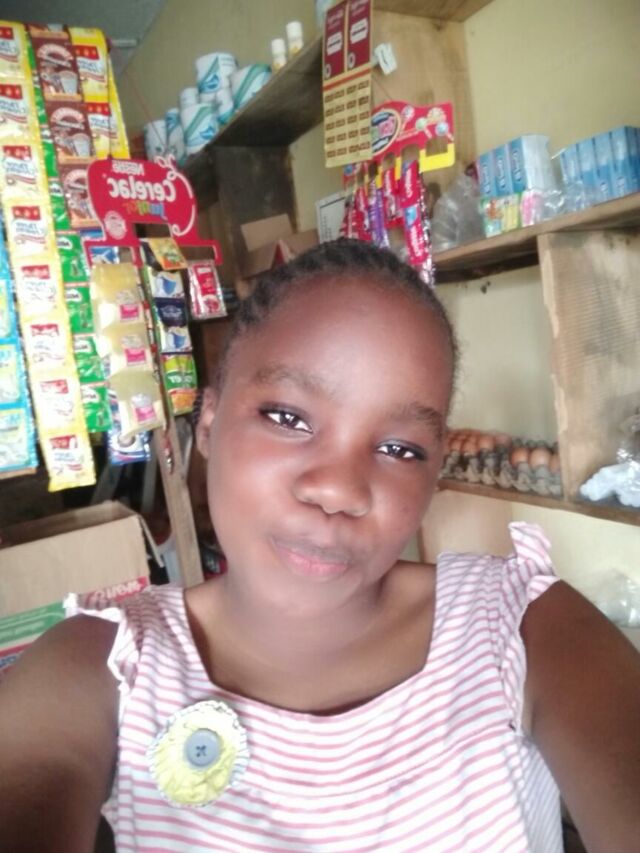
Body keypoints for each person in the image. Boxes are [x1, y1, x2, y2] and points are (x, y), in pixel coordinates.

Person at [1, 239, 639, 853]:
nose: (338, 489)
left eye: (399, 449)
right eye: (288, 418)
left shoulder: (520, 628)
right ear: (211, 422)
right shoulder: (106, 665)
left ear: (434, 473)